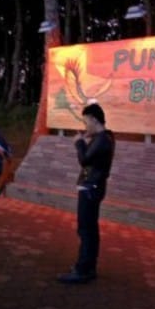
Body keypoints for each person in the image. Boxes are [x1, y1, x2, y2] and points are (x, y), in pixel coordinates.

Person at [58, 103, 115, 284]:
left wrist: (80, 143)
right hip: (93, 188)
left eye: (86, 121)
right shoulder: (103, 138)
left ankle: (84, 269)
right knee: (89, 229)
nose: (85, 126)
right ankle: (87, 266)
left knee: (86, 230)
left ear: (93, 119)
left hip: (91, 189)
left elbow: (84, 160)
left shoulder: (103, 139)